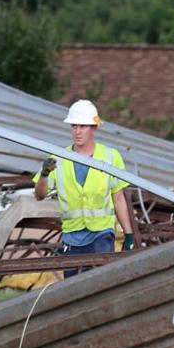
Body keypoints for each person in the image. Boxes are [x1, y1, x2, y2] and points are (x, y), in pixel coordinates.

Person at [33, 100, 137, 276]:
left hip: (101, 233)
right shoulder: (58, 158)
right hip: (72, 236)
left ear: (94, 128)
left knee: (101, 281)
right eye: (74, 126)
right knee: (72, 287)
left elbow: (118, 198)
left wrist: (129, 234)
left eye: (83, 126)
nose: (77, 131)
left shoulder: (111, 156)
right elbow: (39, 195)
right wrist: (44, 174)